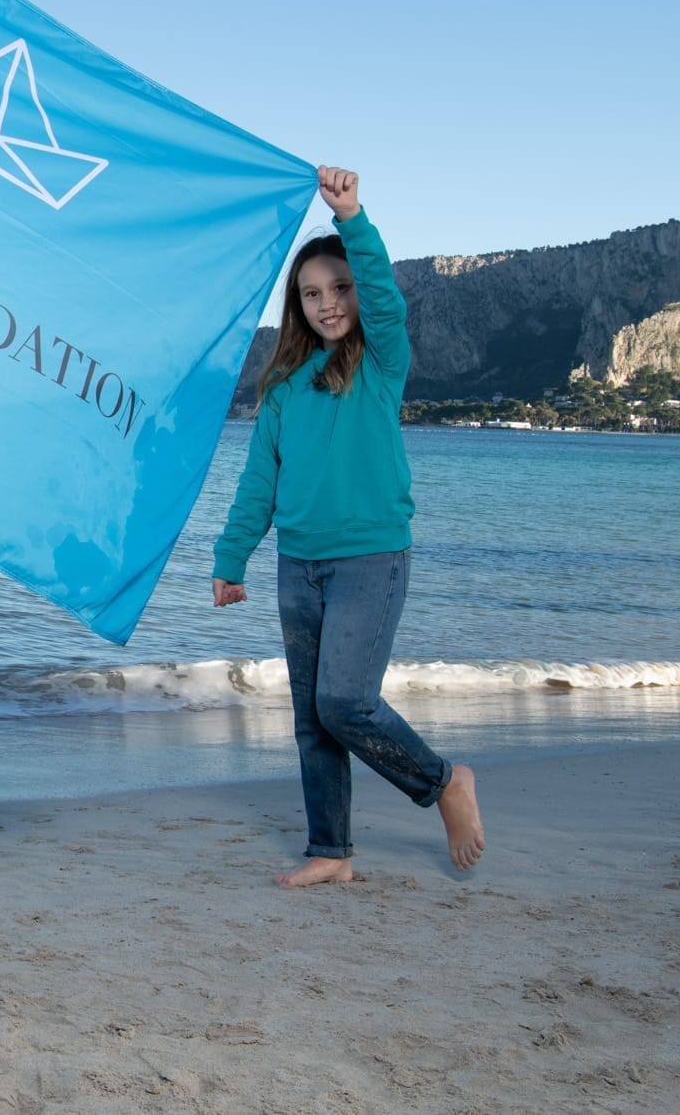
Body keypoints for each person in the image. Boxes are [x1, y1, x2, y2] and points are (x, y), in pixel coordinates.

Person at [211, 166, 486, 887]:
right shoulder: (279, 387)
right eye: (312, 293)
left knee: (344, 701)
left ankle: (444, 781)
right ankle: (330, 850)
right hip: (297, 566)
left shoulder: (381, 361)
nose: (328, 302)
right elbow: (258, 483)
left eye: (340, 288)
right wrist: (231, 556)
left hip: (371, 558)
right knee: (312, 719)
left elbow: (387, 303)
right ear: (297, 305)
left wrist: (352, 216)